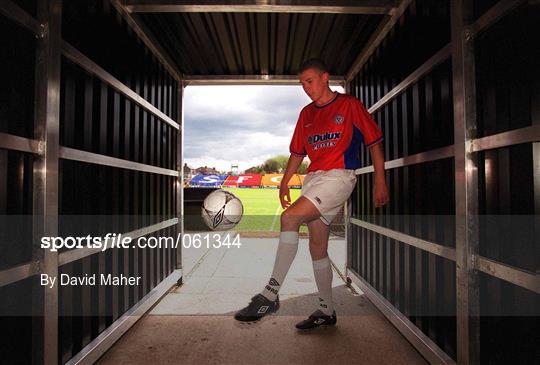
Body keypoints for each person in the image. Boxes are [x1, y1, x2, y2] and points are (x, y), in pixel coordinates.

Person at [234, 58, 389, 330]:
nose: (305, 87)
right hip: (313, 179)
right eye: (301, 83)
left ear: (325, 77)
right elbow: (297, 153)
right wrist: (284, 183)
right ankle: (326, 311)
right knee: (317, 247)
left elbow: (374, 143)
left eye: (309, 81)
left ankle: (269, 295)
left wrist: (380, 181)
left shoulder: (349, 105)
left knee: (289, 218)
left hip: (339, 176)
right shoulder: (306, 114)